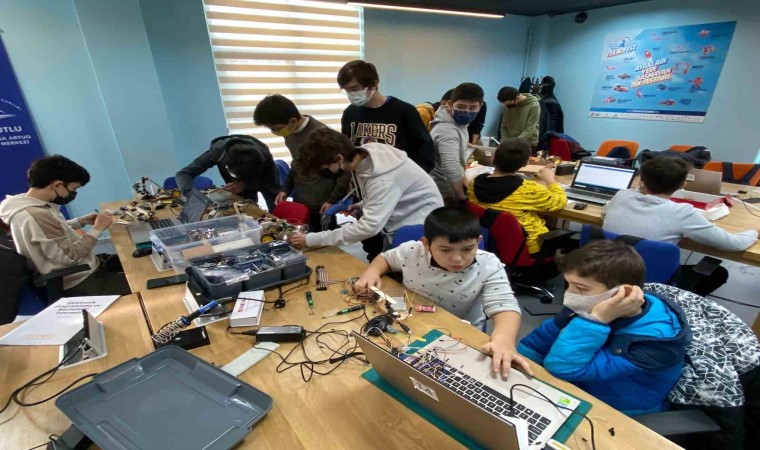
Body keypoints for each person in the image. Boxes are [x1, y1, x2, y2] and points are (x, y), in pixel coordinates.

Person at [518, 240, 691, 416]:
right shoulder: (589, 303)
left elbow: (562, 368)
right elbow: (536, 344)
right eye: (568, 284)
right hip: (579, 388)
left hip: (621, 411)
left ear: (624, 293)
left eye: (581, 288)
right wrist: (514, 367)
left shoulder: (656, 341)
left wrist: (596, 320)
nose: (569, 294)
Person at [353, 207, 531, 377]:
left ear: (478, 241)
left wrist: (504, 339)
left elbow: (505, 306)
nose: (457, 258)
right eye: (445, 250)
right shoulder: (412, 251)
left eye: (468, 249)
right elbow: (385, 258)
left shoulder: (489, 264)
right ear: (426, 244)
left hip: (459, 335)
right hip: (411, 322)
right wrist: (372, 272)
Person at [603, 157, 758, 295]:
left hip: (605, 271)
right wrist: (754, 232)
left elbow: (605, 214)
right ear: (683, 184)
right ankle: (672, 300)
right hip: (649, 282)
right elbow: (733, 244)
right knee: (719, 272)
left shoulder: (621, 195)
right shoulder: (682, 212)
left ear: (641, 179)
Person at [288, 129, 442, 259]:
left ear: (339, 158)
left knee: (395, 277)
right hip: (399, 223)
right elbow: (393, 194)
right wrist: (362, 204)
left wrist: (312, 239)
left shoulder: (383, 179)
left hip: (419, 231)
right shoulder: (366, 154)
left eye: (324, 169)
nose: (324, 174)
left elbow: (369, 227)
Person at [0, 155, 130, 297]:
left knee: (131, 260)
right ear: (57, 185)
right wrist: (97, 229)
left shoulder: (27, 204)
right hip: (80, 281)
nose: (74, 193)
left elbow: (49, 235)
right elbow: (70, 256)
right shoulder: (36, 215)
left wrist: (80, 221)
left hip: (83, 269)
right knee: (142, 281)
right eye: (73, 189)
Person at [253, 94, 351, 231]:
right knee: (301, 235)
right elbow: (296, 164)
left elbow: (344, 172)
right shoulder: (289, 133)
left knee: (324, 239)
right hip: (301, 199)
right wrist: (285, 189)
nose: (274, 132)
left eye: (276, 128)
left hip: (321, 204)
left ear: (293, 120)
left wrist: (332, 201)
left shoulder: (322, 135)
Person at [467, 139, 567, 254]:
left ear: (493, 159)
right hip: (528, 247)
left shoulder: (474, 183)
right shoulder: (528, 189)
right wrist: (550, 180)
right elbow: (560, 202)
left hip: (491, 243)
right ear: (525, 163)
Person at [337, 60, 435, 173]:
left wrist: (411, 176)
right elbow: (348, 150)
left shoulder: (404, 111)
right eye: (347, 90)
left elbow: (425, 151)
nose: (351, 94)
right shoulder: (350, 113)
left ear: (374, 84)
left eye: (354, 89)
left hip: (399, 177)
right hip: (364, 178)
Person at [175, 135, 280, 210]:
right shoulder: (218, 152)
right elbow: (183, 174)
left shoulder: (265, 158)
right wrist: (192, 196)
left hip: (262, 181)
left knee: (275, 211)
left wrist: (245, 185)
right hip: (239, 197)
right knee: (245, 209)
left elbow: (272, 186)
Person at [430, 82, 484, 205]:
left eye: (472, 108)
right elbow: (451, 167)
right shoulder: (447, 130)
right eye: (461, 107)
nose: (466, 112)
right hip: (444, 191)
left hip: (448, 186)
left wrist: (468, 187)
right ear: (450, 104)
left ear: (480, 107)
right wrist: (462, 197)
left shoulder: (458, 124)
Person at [497, 86, 540, 152]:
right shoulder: (507, 106)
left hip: (527, 143)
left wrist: (514, 143)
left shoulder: (534, 105)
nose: (506, 106)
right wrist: (504, 142)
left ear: (517, 97)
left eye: (509, 104)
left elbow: (529, 129)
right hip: (510, 143)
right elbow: (503, 126)